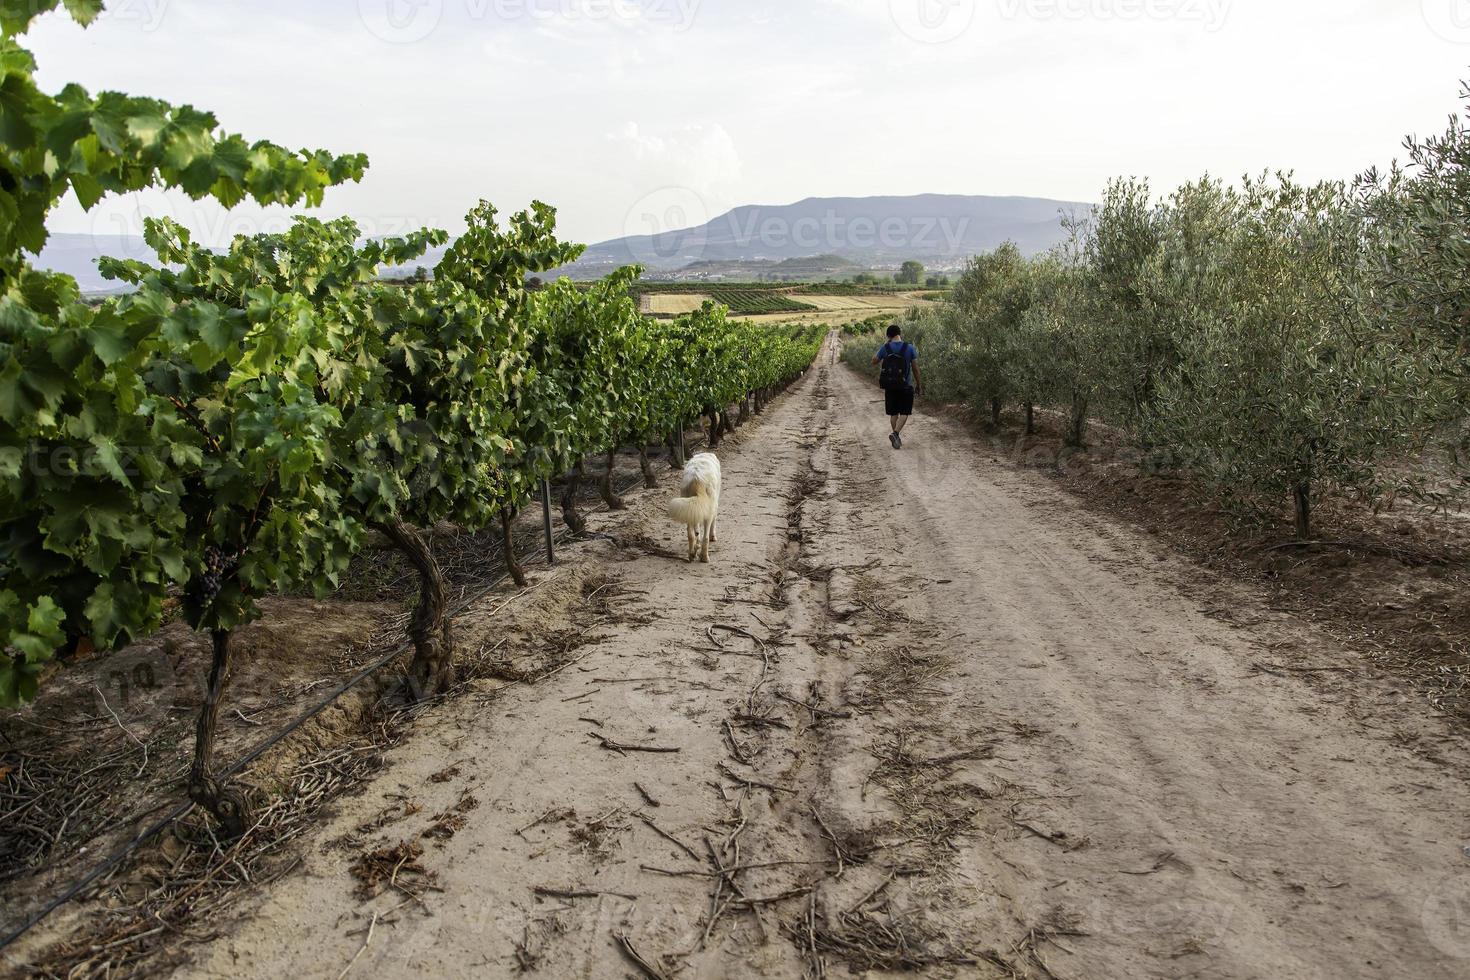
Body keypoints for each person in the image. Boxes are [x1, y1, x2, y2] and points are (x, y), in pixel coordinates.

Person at [872, 324, 921, 448]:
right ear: (900, 333)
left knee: (894, 414)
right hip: (905, 386)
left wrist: (885, 345)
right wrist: (919, 384)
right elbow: (915, 369)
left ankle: (896, 438)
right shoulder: (909, 348)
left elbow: (874, 361)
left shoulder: (885, 347)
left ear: (888, 335)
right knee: (904, 412)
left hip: (890, 386)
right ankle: (895, 434)